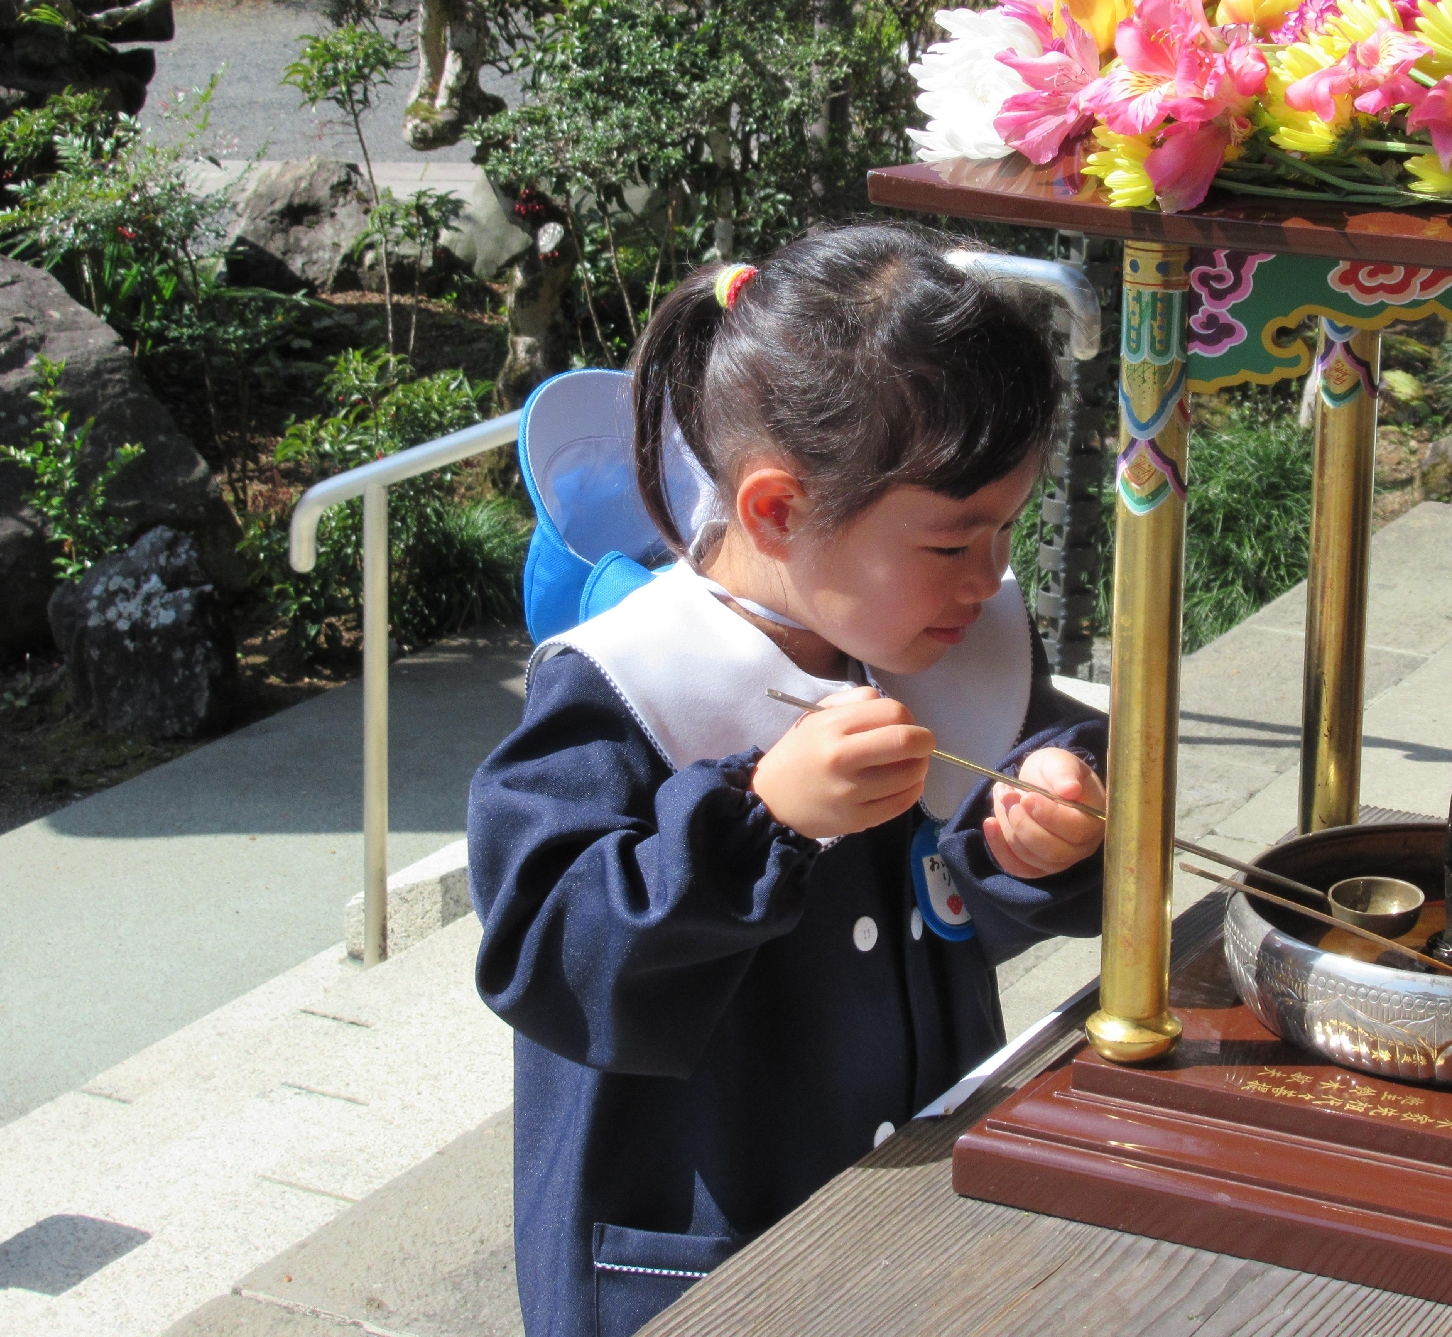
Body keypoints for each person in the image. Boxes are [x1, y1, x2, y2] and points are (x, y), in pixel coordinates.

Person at [466, 225, 1110, 1337]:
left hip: (919, 1210)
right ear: (774, 509)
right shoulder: (620, 687)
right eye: (953, 543)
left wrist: (1053, 820)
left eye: (1005, 530)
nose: (989, 578)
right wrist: (758, 821)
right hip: (698, 1252)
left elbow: (977, 853)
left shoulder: (938, 639)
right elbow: (548, 956)